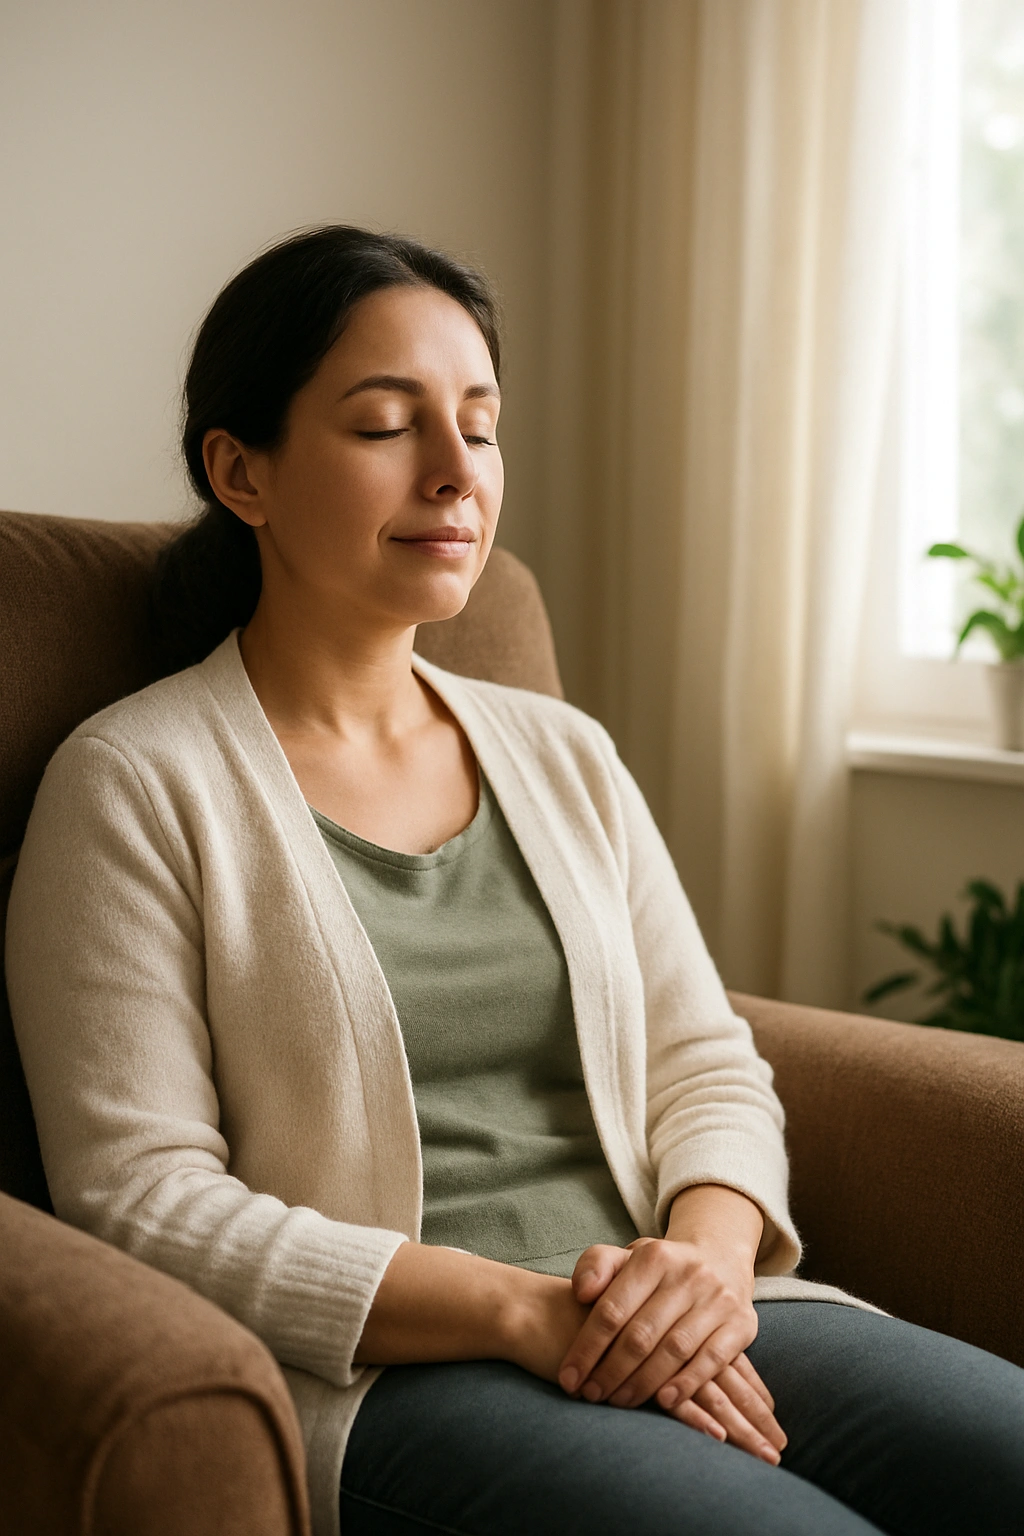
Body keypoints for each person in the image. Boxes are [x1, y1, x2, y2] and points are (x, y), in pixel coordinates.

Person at [6, 226, 1024, 1536]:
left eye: (479, 428)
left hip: (686, 1310)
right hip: (403, 1370)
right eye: (386, 425)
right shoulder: (134, 784)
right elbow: (143, 1203)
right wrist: (518, 1310)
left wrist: (704, 1271)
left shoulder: (564, 753)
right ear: (240, 471)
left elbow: (702, 1059)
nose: (453, 474)